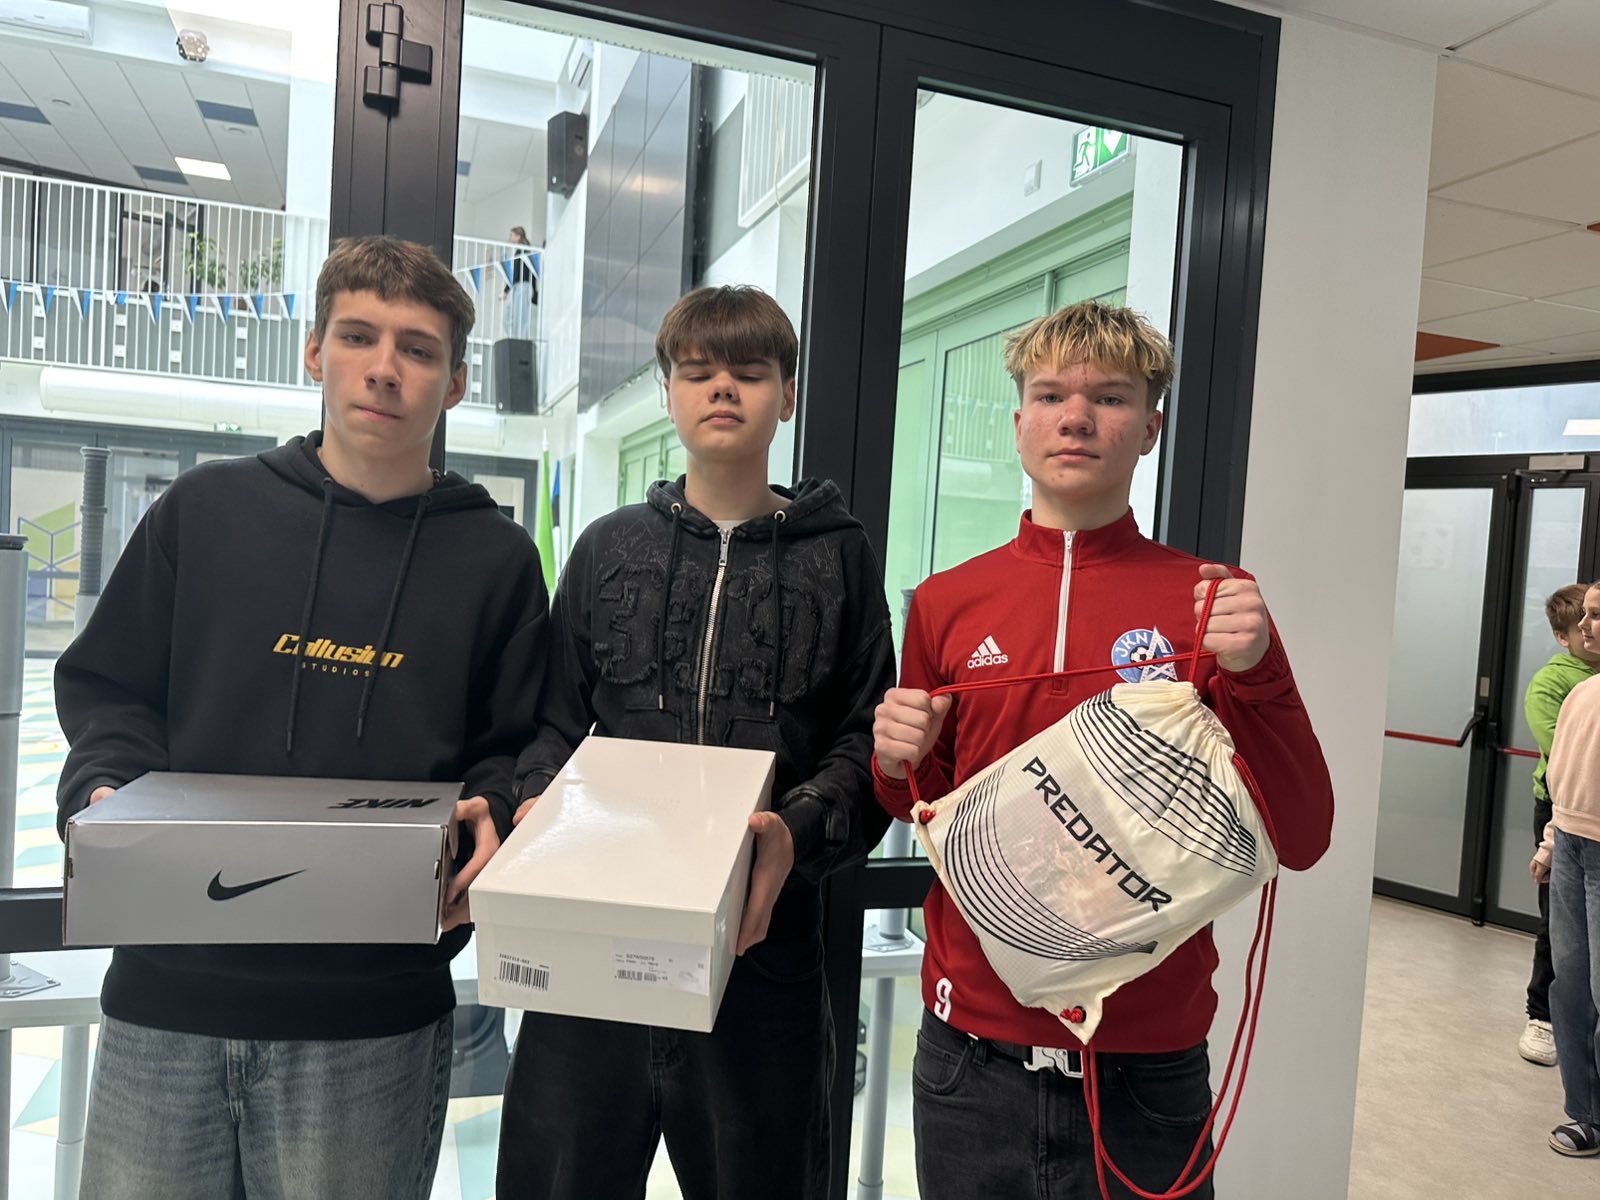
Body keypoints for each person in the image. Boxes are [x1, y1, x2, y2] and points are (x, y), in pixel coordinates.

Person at [54, 235, 549, 1199]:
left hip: (371, 1021)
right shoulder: (204, 512)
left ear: (454, 383)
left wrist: (492, 811)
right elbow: (112, 689)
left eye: (417, 349)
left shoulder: (496, 562)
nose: (384, 368)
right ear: (315, 351)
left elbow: (516, 745)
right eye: (358, 336)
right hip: (166, 1000)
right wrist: (105, 786)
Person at [871, 299, 1335, 1199]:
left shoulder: (1210, 601)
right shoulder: (946, 602)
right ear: (1019, 422)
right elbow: (927, 805)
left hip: (1145, 1067)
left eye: (1111, 398)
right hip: (969, 1056)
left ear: (1150, 428)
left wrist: (1261, 671)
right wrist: (896, 761)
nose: (1076, 417)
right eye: (1050, 395)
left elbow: (1302, 833)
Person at [497, 284, 895, 1200]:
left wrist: (798, 828)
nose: (723, 389)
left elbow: (865, 739)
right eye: (698, 371)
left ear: (786, 396)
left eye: (749, 372)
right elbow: (551, 720)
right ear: (669, 394)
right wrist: (539, 807)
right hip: (596, 946)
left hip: (764, 953)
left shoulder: (839, 557)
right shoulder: (606, 548)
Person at [1532, 581, 1600, 1159]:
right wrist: (1551, 843)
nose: (1587, 627)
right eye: (1587, 616)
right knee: (1571, 985)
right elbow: (1567, 782)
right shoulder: (1580, 694)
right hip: (1574, 847)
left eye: (1599, 616)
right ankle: (1585, 1113)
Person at [502, 225, 538, 340]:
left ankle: (520, 340)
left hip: (523, 286)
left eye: (511, 235)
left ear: (518, 236)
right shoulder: (522, 251)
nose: (510, 238)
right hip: (519, 287)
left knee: (521, 317)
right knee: (513, 316)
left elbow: (518, 273)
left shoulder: (524, 251)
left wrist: (506, 290)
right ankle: (516, 338)